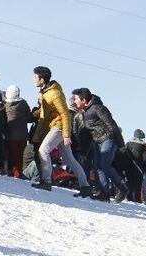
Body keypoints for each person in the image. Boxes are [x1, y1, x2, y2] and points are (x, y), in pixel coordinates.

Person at [30, 66, 92, 196]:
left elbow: (65, 114)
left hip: (59, 127)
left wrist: (66, 135)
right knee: (69, 160)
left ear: (42, 79)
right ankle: (85, 186)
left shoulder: (55, 93)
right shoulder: (44, 92)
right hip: (54, 126)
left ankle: (46, 181)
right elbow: (44, 115)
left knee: (43, 150)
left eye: (35, 77)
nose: (33, 79)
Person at [73, 88, 128, 202]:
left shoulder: (98, 108)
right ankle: (104, 193)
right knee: (98, 167)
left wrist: (121, 144)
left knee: (104, 165)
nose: (75, 101)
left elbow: (111, 125)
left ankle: (122, 187)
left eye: (76, 99)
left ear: (83, 100)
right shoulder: (85, 112)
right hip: (97, 142)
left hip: (108, 139)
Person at [4, 85, 31, 179]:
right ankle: (19, 174)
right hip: (23, 135)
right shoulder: (23, 103)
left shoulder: (5, 104)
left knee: (12, 155)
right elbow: (29, 117)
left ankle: (14, 172)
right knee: (21, 156)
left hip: (10, 135)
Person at [124, 129, 146, 203]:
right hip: (139, 171)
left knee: (129, 185)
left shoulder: (128, 145)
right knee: (137, 187)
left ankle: (128, 199)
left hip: (128, 169)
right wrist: (144, 170)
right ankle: (137, 201)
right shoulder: (142, 147)